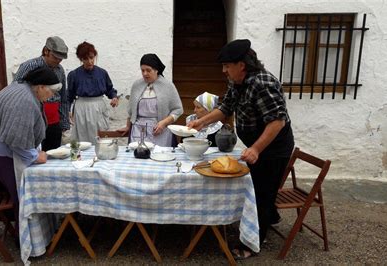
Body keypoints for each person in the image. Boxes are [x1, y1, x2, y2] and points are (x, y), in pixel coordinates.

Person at [187, 39, 294, 259]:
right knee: (259, 187)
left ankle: (252, 245)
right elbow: (226, 108)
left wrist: (255, 149)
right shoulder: (238, 82)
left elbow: (277, 122)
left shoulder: (263, 83)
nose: (224, 70)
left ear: (241, 65)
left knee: (261, 193)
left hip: (273, 147)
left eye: (227, 65)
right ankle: (269, 217)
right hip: (259, 144)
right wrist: (202, 122)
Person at [0, 66, 62, 235]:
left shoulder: (19, 88)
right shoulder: (25, 101)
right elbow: (16, 142)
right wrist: (35, 156)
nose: (52, 96)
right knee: (22, 192)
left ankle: (19, 227)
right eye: (51, 91)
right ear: (41, 87)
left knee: (12, 192)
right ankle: (25, 235)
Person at [14, 36, 69, 151]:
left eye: (61, 59)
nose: (58, 61)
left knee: (54, 155)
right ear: (46, 51)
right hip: (33, 119)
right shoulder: (29, 66)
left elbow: (63, 98)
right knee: (35, 155)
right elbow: (16, 91)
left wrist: (64, 124)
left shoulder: (60, 70)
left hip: (54, 120)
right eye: (55, 57)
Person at [119, 53, 183, 146]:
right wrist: (128, 126)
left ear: (156, 70)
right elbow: (131, 111)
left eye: (148, 70)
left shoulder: (168, 86)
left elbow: (178, 110)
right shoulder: (136, 85)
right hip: (138, 131)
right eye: (142, 70)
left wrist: (164, 123)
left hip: (159, 131)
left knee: (159, 157)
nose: (145, 73)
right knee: (138, 156)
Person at [67, 41, 119, 144]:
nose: (90, 61)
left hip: (98, 107)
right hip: (81, 108)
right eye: (85, 59)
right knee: (82, 136)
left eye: (92, 57)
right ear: (81, 59)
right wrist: (68, 110)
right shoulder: (74, 75)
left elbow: (109, 89)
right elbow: (70, 95)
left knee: (100, 135)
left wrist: (114, 97)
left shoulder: (102, 73)